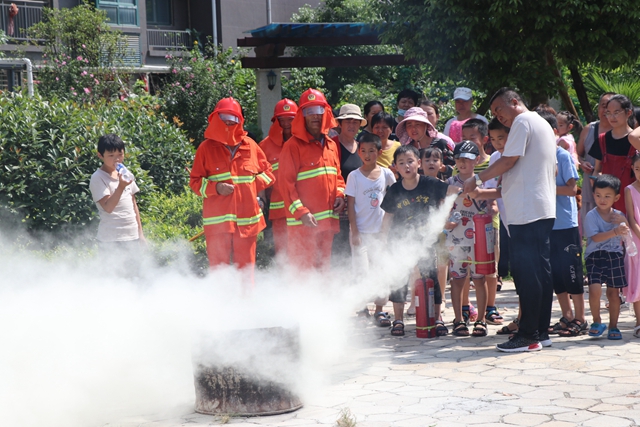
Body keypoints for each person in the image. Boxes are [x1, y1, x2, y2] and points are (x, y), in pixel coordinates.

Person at [463, 88, 556, 353]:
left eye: (499, 110)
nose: (499, 117)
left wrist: (477, 178)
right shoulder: (539, 124)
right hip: (537, 208)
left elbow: (508, 161)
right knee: (539, 272)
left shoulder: (524, 122)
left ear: (514, 102)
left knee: (527, 274)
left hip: (528, 211)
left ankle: (527, 335)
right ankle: (540, 331)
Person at [189, 98, 274, 283]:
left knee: (246, 272)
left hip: (247, 222)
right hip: (218, 225)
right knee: (219, 273)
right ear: (215, 120)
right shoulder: (205, 149)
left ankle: (245, 309)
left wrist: (254, 185)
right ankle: (221, 310)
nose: (228, 124)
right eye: (224, 119)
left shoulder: (251, 146)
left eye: (232, 119)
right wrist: (216, 188)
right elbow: (195, 182)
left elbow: (269, 173)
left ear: (240, 121)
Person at [380, 145, 461, 336]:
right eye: (401, 163)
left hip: (425, 242)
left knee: (431, 277)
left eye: (410, 161)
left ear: (418, 163)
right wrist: (382, 243)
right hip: (399, 243)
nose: (406, 166)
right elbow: (388, 218)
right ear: (395, 168)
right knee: (398, 280)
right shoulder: (394, 190)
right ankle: (398, 319)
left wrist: (469, 187)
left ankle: (437, 318)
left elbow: (453, 190)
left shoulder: (430, 184)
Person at [278, 88, 346, 271]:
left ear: (326, 113)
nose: (315, 116)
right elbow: (286, 185)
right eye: (309, 111)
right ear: (302, 115)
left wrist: (340, 194)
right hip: (304, 223)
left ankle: (324, 301)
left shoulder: (331, 144)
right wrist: (301, 212)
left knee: (324, 269)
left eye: (319, 111)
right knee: (303, 272)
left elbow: (338, 177)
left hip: (328, 221)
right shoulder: (292, 146)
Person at [537, 111, 587, 338]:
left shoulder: (563, 155)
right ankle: (566, 316)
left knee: (572, 272)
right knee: (556, 274)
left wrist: (546, 186)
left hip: (566, 225)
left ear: (555, 133)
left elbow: (571, 189)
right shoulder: (535, 157)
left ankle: (581, 318)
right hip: (546, 223)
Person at [445, 141, 496, 337]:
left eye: (467, 159)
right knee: (457, 280)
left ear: (476, 160)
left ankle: (481, 320)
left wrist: (492, 208)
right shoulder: (449, 184)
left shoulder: (483, 182)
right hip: (456, 239)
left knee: (479, 279)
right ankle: (458, 320)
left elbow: (493, 205)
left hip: (479, 240)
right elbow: (442, 209)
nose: (463, 163)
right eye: (459, 159)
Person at [346, 133, 396, 327]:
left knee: (380, 270)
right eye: (363, 151)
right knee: (361, 271)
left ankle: (380, 310)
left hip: (381, 233)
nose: (367, 155)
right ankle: (361, 308)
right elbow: (350, 206)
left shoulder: (386, 174)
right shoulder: (354, 176)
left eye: (371, 151)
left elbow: (394, 199)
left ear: (379, 152)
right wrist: (355, 232)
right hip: (360, 232)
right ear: (359, 152)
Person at [460, 119, 503, 326]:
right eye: (464, 138)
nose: (468, 142)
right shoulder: (458, 168)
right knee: (467, 269)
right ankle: (466, 306)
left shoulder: (493, 162)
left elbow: (498, 189)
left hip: (489, 224)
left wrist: (492, 203)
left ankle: (491, 307)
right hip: (464, 227)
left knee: (490, 267)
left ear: (485, 140)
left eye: (472, 138)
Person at [584, 175, 628, 340]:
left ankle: (613, 326)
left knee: (613, 293)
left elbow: (628, 235)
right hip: (595, 256)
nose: (602, 199)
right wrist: (616, 231)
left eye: (607, 196)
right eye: (598, 195)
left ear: (616, 197)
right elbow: (595, 237)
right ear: (593, 194)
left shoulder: (619, 215)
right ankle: (596, 321)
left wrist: (624, 223)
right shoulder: (591, 216)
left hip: (615, 256)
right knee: (594, 290)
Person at [89, 134, 145, 255]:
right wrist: (120, 187)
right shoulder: (97, 177)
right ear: (100, 155)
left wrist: (140, 234)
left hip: (132, 236)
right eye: (111, 155)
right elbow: (108, 207)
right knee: (112, 274)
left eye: (120, 154)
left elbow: (134, 204)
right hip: (110, 239)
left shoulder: (126, 173)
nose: (117, 159)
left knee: (134, 274)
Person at [259, 98, 298, 257]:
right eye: (282, 120)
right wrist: (260, 199)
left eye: (291, 119)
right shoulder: (264, 147)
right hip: (278, 213)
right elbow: (259, 178)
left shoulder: (305, 142)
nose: (287, 123)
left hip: (304, 210)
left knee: (303, 254)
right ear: (275, 121)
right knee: (282, 257)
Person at [589, 94, 640, 214]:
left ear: (628, 113)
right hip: (608, 202)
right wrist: (596, 179)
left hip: (633, 201)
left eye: (616, 112)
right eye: (608, 113)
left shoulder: (635, 140)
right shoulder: (602, 140)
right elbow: (597, 169)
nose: (612, 117)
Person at [332, 104, 366, 267]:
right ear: (339, 124)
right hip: (338, 207)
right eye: (348, 121)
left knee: (360, 252)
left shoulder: (362, 147)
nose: (352, 125)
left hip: (360, 207)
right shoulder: (330, 146)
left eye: (355, 122)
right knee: (340, 252)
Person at [578, 93, 615, 236]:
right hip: (590, 188)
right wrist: (582, 162)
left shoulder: (622, 132)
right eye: (603, 106)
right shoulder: (589, 129)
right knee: (591, 231)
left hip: (614, 190)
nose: (606, 110)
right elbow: (578, 153)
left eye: (610, 107)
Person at [623, 152, 640, 338]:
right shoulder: (630, 189)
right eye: (637, 169)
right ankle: (639, 321)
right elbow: (631, 217)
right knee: (638, 280)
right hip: (637, 241)